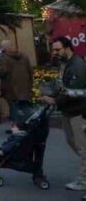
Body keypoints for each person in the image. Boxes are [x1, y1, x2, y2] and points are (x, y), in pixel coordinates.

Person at [40, 36, 86, 191]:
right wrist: (53, 94)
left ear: (68, 48)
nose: (54, 52)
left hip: (79, 112)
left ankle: (83, 180)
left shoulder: (77, 66)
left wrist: (55, 101)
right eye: (53, 50)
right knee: (73, 143)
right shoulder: (65, 64)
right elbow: (62, 87)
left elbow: (76, 92)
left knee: (82, 147)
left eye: (57, 49)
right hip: (69, 112)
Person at [0, 39, 33, 124]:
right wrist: (30, 83)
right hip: (25, 86)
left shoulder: (4, 57)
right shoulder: (24, 56)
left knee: (14, 107)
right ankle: (29, 123)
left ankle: (16, 126)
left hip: (11, 87)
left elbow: (3, 72)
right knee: (25, 106)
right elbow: (30, 70)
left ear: (4, 48)